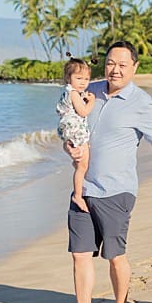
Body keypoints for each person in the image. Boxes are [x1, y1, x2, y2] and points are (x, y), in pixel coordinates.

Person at [62, 41, 152, 303]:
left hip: (117, 191)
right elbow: (69, 124)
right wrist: (67, 145)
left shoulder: (142, 102)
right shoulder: (90, 90)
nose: (114, 69)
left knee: (115, 257)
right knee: (80, 255)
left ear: (134, 67)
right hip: (83, 188)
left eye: (122, 65)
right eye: (110, 63)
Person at [56, 58, 96, 213]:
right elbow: (84, 111)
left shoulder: (67, 91)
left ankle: (78, 172)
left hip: (68, 128)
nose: (83, 82)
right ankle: (78, 195)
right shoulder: (73, 93)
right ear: (68, 77)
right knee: (83, 165)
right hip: (75, 129)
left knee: (80, 161)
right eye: (78, 78)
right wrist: (91, 101)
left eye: (86, 79)